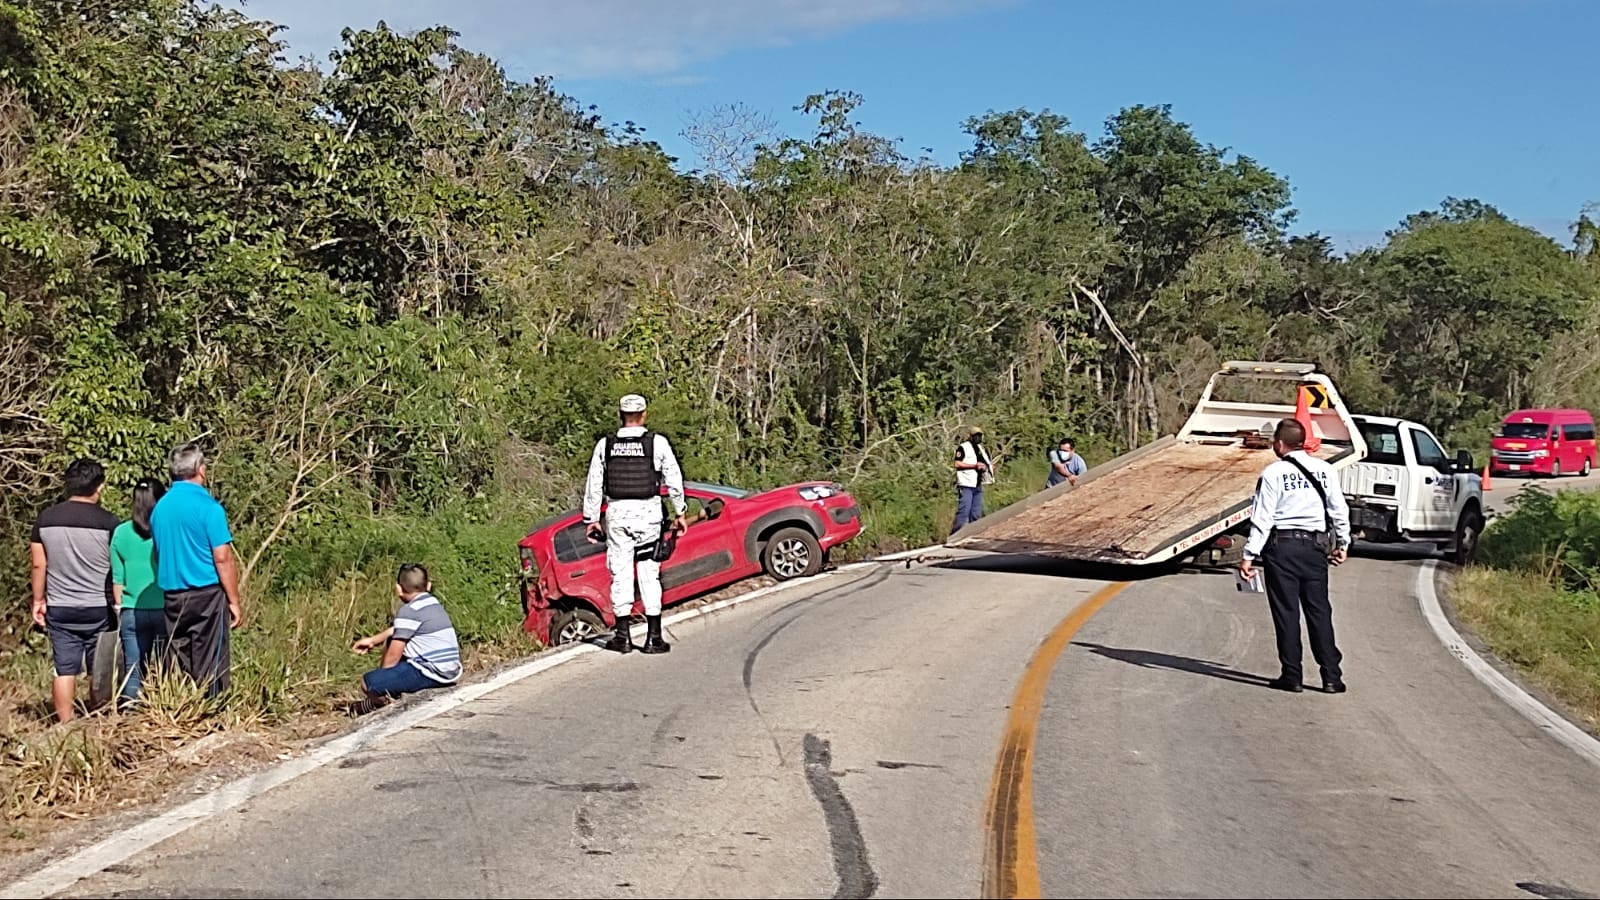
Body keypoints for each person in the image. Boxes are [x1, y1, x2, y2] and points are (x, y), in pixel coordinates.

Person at [1238, 419, 1351, 694]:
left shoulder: (1273, 474)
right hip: (1315, 548)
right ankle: (1332, 677)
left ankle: (1292, 675)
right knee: (1319, 611)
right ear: (1302, 441)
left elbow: (1263, 518)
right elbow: (1339, 508)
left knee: (1287, 613)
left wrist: (1249, 554)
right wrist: (1344, 542)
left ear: (1279, 443)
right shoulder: (1325, 469)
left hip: (1283, 548)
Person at [582, 393, 687, 655]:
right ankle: (653, 638)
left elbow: (594, 484)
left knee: (621, 573)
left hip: (617, 513)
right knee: (649, 573)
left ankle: (622, 637)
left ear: (620, 415)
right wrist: (680, 512)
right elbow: (674, 478)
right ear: (644, 415)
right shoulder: (657, 443)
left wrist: (591, 518)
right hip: (648, 513)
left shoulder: (605, 445)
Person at [29, 459, 119, 722]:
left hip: (60, 605)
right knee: (98, 666)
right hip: (98, 607)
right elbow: (117, 567)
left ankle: (65, 725)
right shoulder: (109, 523)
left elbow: (38, 563)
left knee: (64, 667)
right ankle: (99, 719)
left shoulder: (46, 519)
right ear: (99, 487)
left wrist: (38, 599)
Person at [150, 443, 242, 699]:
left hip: (172, 595)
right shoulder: (209, 508)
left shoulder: (160, 509)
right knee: (211, 659)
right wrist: (234, 600)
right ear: (201, 470)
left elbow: (158, 553)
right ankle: (211, 710)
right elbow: (222, 558)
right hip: (206, 593)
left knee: (180, 659)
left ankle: (182, 706)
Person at [351, 563, 461, 702]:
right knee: (392, 640)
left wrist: (384, 679)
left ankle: (379, 702)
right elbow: (399, 630)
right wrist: (373, 640)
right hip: (451, 671)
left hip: (431, 672)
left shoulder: (409, 610)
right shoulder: (433, 603)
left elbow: (394, 654)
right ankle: (388, 692)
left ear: (398, 589)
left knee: (369, 683)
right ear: (428, 586)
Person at [111, 478, 167, 705]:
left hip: (131, 610)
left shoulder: (121, 532)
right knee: (167, 666)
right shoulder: (165, 531)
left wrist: (119, 607)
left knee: (134, 669)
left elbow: (118, 579)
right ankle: (165, 710)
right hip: (165, 608)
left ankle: (131, 715)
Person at [951, 425, 993, 533]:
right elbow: (957, 463)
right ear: (970, 436)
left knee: (976, 512)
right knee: (964, 510)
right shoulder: (963, 447)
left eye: (979, 435)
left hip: (977, 483)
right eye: (975, 435)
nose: (978, 438)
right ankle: (955, 533)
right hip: (966, 484)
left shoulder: (981, 449)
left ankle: (973, 533)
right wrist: (974, 466)